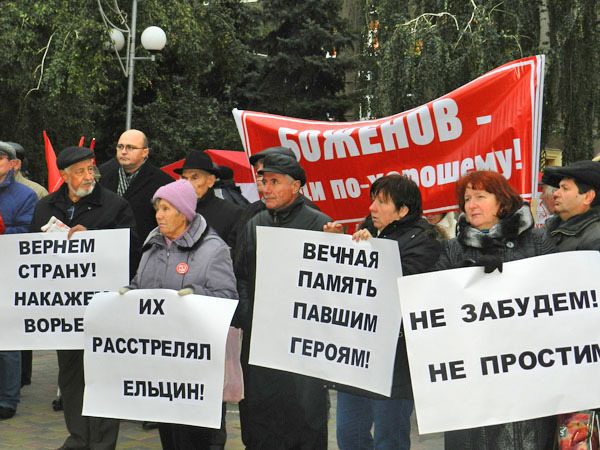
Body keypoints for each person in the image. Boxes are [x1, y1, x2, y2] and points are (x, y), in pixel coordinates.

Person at [434, 170, 556, 450]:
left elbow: (556, 302)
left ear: (502, 201)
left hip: (527, 374)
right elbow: (432, 305)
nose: (472, 205)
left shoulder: (537, 241)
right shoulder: (453, 249)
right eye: (467, 199)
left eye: (480, 197)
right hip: (474, 376)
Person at [29, 146, 137, 449]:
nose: (89, 176)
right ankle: (78, 437)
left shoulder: (115, 205)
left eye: (91, 169)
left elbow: (131, 250)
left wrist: (92, 239)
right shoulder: (46, 206)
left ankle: (102, 442)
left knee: (104, 375)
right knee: (71, 377)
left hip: (104, 308)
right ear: (64, 176)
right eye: (80, 171)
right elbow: (31, 254)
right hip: (65, 311)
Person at [323, 174, 442, 450]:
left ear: (403, 210)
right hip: (356, 356)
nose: (372, 208)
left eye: (382, 202)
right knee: (348, 435)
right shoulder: (365, 232)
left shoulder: (425, 241)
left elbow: (404, 290)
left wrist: (372, 251)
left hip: (395, 361)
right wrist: (337, 247)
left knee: (389, 439)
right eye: (373, 200)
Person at [126, 179, 238, 450]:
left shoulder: (214, 250)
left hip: (199, 361)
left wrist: (195, 294)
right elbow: (141, 284)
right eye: (157, 209)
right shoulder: (152, 245)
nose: (158, 215)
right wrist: (127, 294)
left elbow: (228, 298)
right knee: (170, 432)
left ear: (184, 213)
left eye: (166, 209)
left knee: (199, 436)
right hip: (163, 358)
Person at [234, 153, 332, 449]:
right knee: (262, 418)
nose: (266, 189)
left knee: (305, 419)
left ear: (296, 186)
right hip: (262, 344)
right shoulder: (255, 223)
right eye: (264, 182)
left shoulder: (319, 224)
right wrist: (253, 318)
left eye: (274, 182)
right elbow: (242, 277)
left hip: (303, 348)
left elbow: (331, 288)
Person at [99, 129, 174, 271]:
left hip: (144, 259)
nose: (123, 152)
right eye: (120, 147)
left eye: (130, 147)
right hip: (105, 256)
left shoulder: (163, 183)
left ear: (145, 152)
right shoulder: (102, 175)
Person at [0, 141, 38, 420]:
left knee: (7, 341)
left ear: (13, 165)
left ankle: (7, 399)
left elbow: (29, 233)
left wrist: (4, 230)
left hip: (8, 275)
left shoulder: (26, 195)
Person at [176, 150, 243, 246]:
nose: (188, 184)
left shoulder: (232, 213)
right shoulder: (175, 211)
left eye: (194, 178)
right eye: (184, 178)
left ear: (210, 181)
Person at [542, 160, 600, 251]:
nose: (555, 194)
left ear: (588, 197)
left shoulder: (595, 238)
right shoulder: (548, 228)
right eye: (559, 188)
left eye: (565, 188)